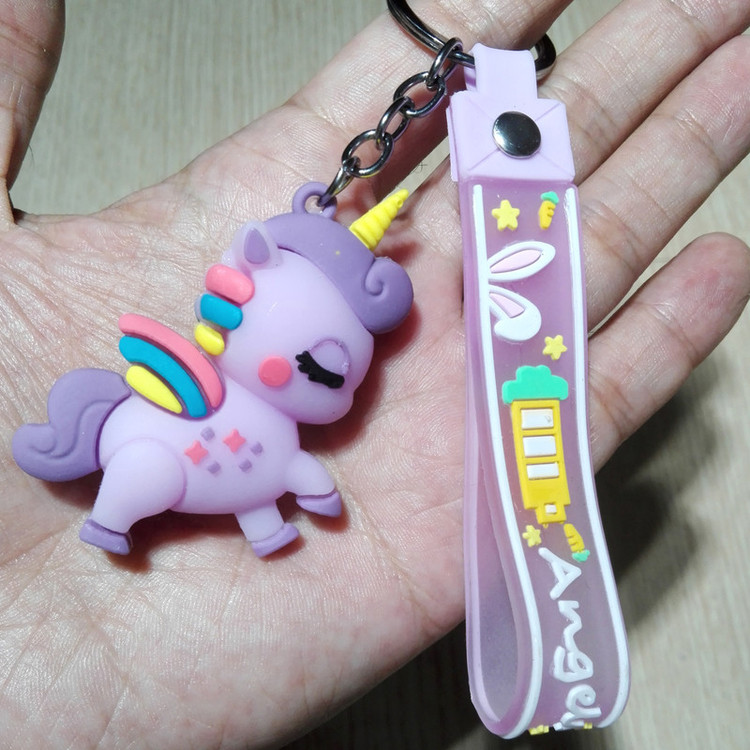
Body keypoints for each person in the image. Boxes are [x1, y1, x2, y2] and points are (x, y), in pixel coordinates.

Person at [1, 0, 749, 747]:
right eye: (319, 369)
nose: (340, 391)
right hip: (171, 455)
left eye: (344, 373)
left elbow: (286, 453)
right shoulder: (249, 399)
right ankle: (113, 519)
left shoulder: (276, 418)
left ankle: (258, 526)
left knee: (253, 484)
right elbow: (283, 457)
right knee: (159, 473)